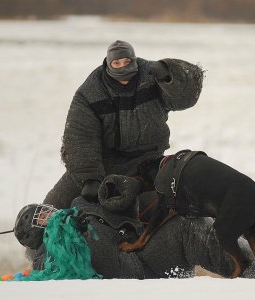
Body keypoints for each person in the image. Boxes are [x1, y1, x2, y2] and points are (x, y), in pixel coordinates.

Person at [15, 175, 255, 279]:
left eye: (44, 210)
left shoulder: (77, 207)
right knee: (187, 229)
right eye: (41, 218)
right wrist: (87, 234)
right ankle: (252, 272)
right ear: (35, 234)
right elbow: (113, 266)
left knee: (189, 217)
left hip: (139, 246)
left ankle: (254, 261)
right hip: (140, 268)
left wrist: (111, 195)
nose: (49, 214)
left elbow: (124, 214)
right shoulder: (53, 258)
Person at [42, 40, 204, 209]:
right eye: (116, 63)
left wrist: (170, 75)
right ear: (108, 64)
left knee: (170, 204)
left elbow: (186, 98)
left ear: (134, 60)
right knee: (51, 207)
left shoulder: (151, 76)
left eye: (127, 62)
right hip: (104, 165)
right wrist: (89, 178)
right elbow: (80, 137)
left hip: (149, 160)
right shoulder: (89, 92)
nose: (122, 68)